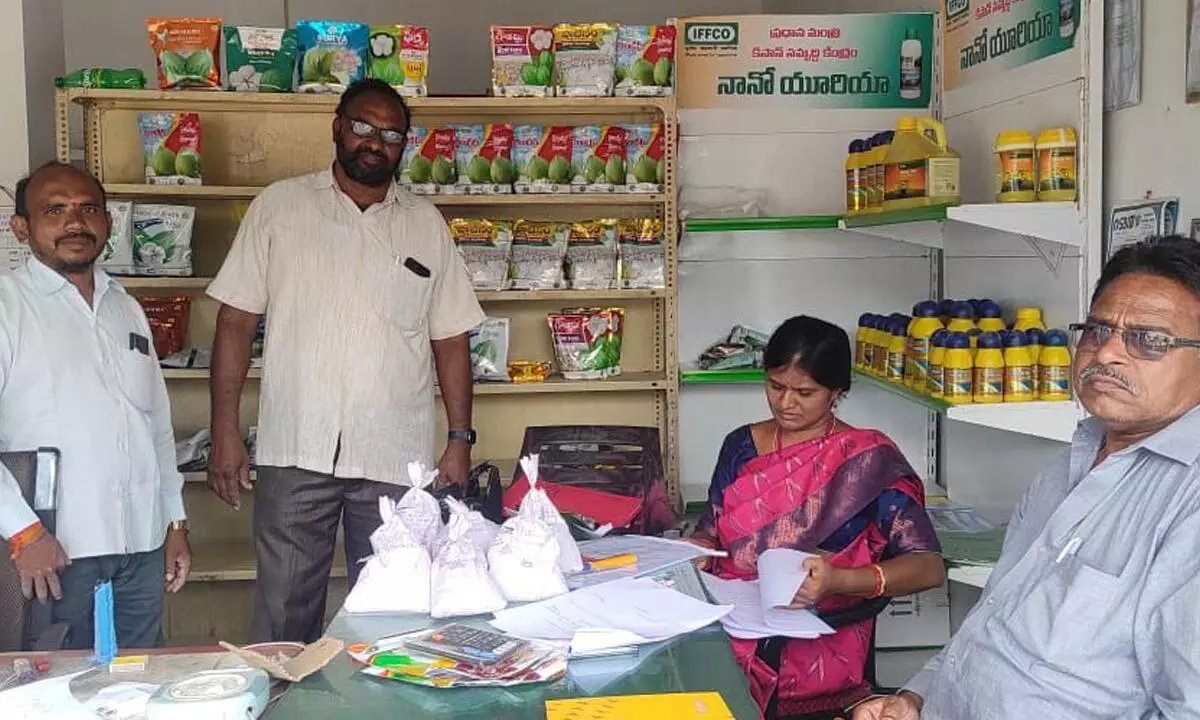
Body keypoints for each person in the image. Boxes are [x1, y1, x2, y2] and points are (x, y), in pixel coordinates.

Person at [851, 235, 1200, 720]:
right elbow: (992, 624)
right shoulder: (1070, 465)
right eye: (1098, 330)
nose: (1106, 354)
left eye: (1150, 340)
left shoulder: (1189, 503)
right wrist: (915, 698)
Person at [206, 79, 485, 644]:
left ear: (404, 145)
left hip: (394, 456)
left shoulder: (425, 225)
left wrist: (460, 440)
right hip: (295, 447)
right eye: (362, 126)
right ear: (337, 126)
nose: (374, 142)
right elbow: (235, 322)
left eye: (390, 134)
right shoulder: (279, 208)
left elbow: (450, 339)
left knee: (394, 614)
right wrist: (224, 431)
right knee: (284, 614)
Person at [690, 315, 945, 718]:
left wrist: (840, 581)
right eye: (775, 386)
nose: (786, 403)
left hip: (820, 634)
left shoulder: (867, 459)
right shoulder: (740, 445)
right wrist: (697, 550)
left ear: (836, 392)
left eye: (805, 392)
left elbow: (929, 567)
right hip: (731, 619)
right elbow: (712, 531)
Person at [0, 162, 190, 649]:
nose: (74, 222)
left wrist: (174, 523)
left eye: (88, 209)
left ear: (107, 223)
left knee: (140, 681)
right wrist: (24, 534)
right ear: (21, 227)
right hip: (54, 551)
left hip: (141, 549)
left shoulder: (123, 305)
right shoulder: (7, 306)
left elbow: (157, 426)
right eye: (54, 210)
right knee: (56, 691)